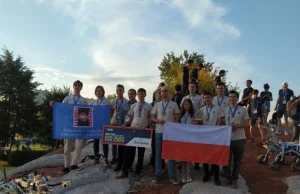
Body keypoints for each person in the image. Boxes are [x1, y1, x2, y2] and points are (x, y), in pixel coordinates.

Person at [49, 80, 89, 175]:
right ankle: (67, 166)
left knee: (79, 145)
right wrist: (54, 104)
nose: (77, 87)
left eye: (79, 86)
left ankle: (74, 164)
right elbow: (61, 107)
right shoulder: (67, 98)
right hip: (68, 125)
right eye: (76, 85)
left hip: (79, 125)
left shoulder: (83, 100)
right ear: (73, 87)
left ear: (81, 88)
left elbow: (88, 112)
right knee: (67, 146)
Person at [116, 88, 152, 180]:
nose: (140, 96)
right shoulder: (133, 106)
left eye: (142, 94)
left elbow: (151, 118)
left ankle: (138, 172)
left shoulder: (149, 106)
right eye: (139, 94)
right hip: (133, 130)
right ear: (137, 95)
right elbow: (131, 118)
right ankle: (125, 171)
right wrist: (125, 124)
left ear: (145, 95)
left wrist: (147, 125)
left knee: (141, 153)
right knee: (128, 152)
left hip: (143, 131)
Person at [151, 86, 180, 184]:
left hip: (170, 133)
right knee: (158, 154)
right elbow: (152, 117)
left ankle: (172, 175)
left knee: (170, 154)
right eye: (162, 91)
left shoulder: (174, 104)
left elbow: (176, 119)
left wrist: (175, 130)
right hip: (159, 132)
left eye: (165, 91)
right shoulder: (157, 104)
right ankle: (158, 174)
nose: (163, 92)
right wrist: (158, 120)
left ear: (169, 93)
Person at [223, 90, 249, 189]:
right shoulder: (225, 109)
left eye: (234, 97)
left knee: (237, 161)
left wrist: (237, 126)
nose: (232, 98)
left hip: (240, 139)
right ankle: (228, 178)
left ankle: (234, 179)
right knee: (226, 160)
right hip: (227, 139)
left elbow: (247, 124)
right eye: (230, 97)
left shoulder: (243, 109)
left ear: (237, 98)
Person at [199, 92, 224, 186]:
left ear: (211, 98)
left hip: (214, 136)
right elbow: (200, 122)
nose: (206, 99)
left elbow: (220, 121)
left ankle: (216, 177)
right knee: (205, 156)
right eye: (205, 98)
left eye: (208, 97)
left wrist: (214, 132)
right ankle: (206, 174)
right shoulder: (201, 110)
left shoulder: (218, 108)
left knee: (215, 157)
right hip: (204, 136)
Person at [180, 82, 205, 169]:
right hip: (186, 123)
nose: (191, 88)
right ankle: (183, 161)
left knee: (195, 144)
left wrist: (199, 120)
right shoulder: (184, 98)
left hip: (195, 122)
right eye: (190, 86)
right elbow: (181, 109)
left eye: (193, 87)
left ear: (196, 88)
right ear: (188, 88)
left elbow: (202, 109)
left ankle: (196, 162)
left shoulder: (199, 98)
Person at [113, 88, 136, 172]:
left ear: (135, 94)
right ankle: (119, 164)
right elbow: (122, 115)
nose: (130, 95)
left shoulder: (137, 104)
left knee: (131, 148)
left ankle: (130, 165)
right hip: (124, 127)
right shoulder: (125, 104)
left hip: (133, 127)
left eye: (132, 94)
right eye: (129, 94)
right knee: (121, 147)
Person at [90, 85, 111, 166]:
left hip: (104, 124)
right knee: (96, 141)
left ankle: (106, 158)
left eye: (99, 91)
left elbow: (111, 111)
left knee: (105, 142)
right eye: (97, 91)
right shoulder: (93, 102)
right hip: (96, 125)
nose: (98, 92)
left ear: (103, 92)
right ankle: (96, 158)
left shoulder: (107, 101)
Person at [179, 99, 196, 183]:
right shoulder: (180, 115)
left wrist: (195, 124)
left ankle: (189, 174)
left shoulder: (193, 114)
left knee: (189, 157)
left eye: (188, 104)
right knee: (182, 157)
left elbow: (198, 125)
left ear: (190, 105)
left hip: (190, 138)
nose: (186, 105)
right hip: (182, 138)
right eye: (185, 104)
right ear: (183, 105)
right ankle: (183, 175)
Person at [150, 89, 165, 171]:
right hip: (153, 128)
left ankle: (162, 164)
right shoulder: (151, 105)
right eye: (157, 93)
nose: (159, 94)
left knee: (161, 148)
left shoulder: (165, 104)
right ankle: (153, 164)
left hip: (162, 129)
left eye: (160, 93)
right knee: (154, 148)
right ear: (155, 95)